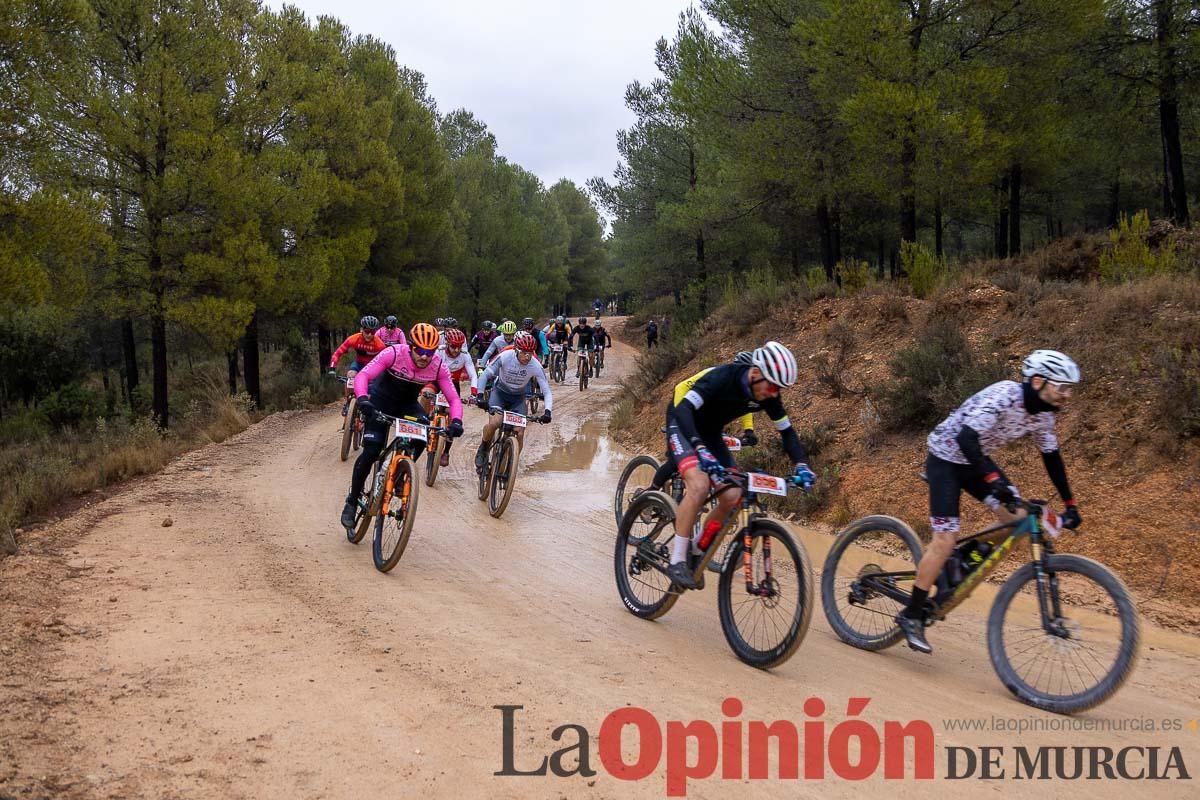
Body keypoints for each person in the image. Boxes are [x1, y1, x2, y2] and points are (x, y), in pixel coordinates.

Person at [895, 349, 1083, 654]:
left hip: (974, 460)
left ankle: (961, 561)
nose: (1067, 395)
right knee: (944, 539)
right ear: (1038, 382)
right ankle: (912, 614)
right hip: (946, 456)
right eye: (1062, 387)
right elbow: (966, 438)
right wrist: (995, 483)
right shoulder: (1005, 396)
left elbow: (1051, 458)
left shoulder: (1044, 414)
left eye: (1069, 389)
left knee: (1018, 518)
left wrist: (1070, 504)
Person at [662, 341, 815, 589]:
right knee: (699, 486)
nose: (775, 393)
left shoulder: (768, 397)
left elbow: (787, 433)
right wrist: (700, 449)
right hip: (682, 425)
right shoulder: (723, 377)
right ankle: (677, 559)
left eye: (780, 389)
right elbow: (684, 409)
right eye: (773, 385)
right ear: (755, 373)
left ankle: (697, 549)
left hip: (711, 434)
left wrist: (802, 464)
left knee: (732, 496)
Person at [339, 323, 464, 529]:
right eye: (421, 351)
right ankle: (352, 501)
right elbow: (363, 376)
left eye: (430, 352)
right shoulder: (394, 353)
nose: (425, 356)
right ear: (411, 346)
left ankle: (400, 473)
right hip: (380, 401)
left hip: (407, 405)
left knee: (423, 433)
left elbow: (454, 399)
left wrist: (457, 421)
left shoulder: (438, 365)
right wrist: (363, 399)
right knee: (371, 451)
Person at [643, 352, 757, 492]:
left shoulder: (745, 389)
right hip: (683, 410)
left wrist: (749, 431)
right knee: (674, 462)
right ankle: (651, 492)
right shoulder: (716, 374)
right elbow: (680, 387)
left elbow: (745, 408)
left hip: (706, 420)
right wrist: (679, 421)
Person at [473, 331, 553, 468]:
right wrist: (480, 396)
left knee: (520, 432)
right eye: (524, 352)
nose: (528, 356)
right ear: (516, 349)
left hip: (518, 398)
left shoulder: (535, 365)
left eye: (531, 352)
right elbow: (485, 375)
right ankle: (484, 447)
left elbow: (546, 391)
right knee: (495, 423)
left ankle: (511, 463)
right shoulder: (505, 356)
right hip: (500, 393)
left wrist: (547, 412)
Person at [328, 316, 386, 413]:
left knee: (372, 388)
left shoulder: (379, 345)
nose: (369, 335)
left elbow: (385, 361)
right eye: (367, 331)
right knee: (351, 375)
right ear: (361, 330)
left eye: (372, 332)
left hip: (372, 367)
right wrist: (332, 368)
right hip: (359, 363)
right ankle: (348, 402)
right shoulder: (353, 339)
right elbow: (338, 353)